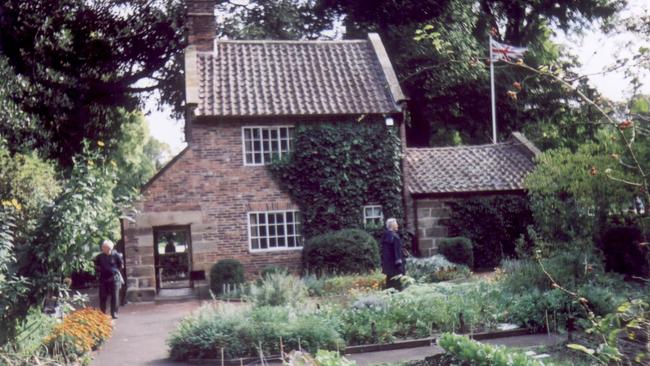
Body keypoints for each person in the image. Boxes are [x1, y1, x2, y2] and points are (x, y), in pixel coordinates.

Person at [94, 239, 123, 319]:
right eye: (103, 247)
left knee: (115, 297)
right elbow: (95, 266)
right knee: (102, 296)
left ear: (110, 248)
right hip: (103, 279)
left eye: (104, 247)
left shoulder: (116, 255)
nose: (103, 248)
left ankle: (114, 313)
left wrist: (115, 272)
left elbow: (121, 266)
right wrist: (99, 271)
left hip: (114, 279)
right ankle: (102, 313)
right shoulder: (99, 256)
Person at [380, 218, 405, 290]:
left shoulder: (385, 236)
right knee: (397, 284)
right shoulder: (395, 237)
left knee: (389, 283)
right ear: (392, 226)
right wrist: (400, 266)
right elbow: (396, 252)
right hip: (395, 266)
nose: (397, 225)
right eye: (396, 224)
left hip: (388, 264)